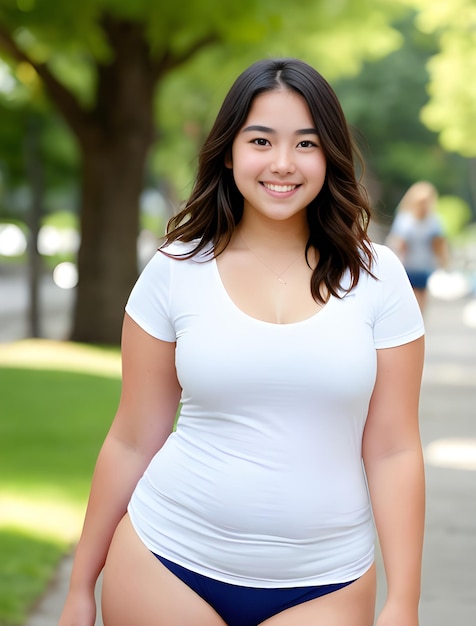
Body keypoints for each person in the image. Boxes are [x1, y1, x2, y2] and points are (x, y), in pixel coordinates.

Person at [58, 58, 425, 626]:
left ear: (330, 155)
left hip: (325, 583)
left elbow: (395, 449)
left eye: (306, 143)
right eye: (261, 140)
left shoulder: (379, 277)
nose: (283, 163)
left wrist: (404, 601)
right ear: (229, 152)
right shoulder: (175, 270)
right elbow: (133, 437)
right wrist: (81, 586)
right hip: (166, 561)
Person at [386, 181, 449, 312]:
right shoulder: (405, 220)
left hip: (425, 265)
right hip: (408, 265)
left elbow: (439, 244)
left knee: (422, 297)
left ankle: (420, 326)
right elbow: (398, 243)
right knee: (412, 298)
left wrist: (443, 262)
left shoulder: (434, 221)